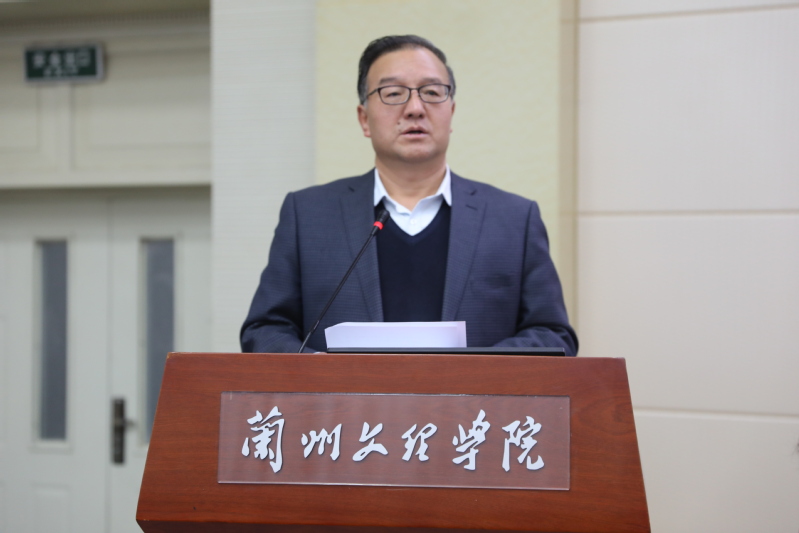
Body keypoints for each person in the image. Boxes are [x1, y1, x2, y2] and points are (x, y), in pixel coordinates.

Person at [241, 35, 578, 355]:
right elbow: (265, 329)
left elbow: (552, 334)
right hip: (342, 399)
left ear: (451, 113)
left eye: (431, 92)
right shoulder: (308, 215)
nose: (415, 108)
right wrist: (322, 373)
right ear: (364, 119)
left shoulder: (514, 219)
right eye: (393, 93)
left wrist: (476, 373)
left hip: (472, 400)